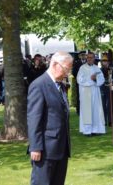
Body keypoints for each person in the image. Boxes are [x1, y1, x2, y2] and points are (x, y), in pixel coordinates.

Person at [27, 51, 72, 185]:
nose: (67, 73)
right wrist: (35, 147)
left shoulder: (61, 86)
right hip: (45, 150)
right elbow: (34, 118)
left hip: (61, 147)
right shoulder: (39, 85)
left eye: (69, 70)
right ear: (54, 64)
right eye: (66, 69)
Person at [77, 52, 106, 136]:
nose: (89, 59)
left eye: (91, 57)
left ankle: (96, 129)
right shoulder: (82, 68)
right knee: (87, 111)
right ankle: (87, 131)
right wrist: (90, 80)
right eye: (88, 57)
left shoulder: (97, 68)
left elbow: (102, 79)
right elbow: (79, 80)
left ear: (94, 58)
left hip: (95, 92)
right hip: (85, 92)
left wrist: (95, 79)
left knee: (96, 110)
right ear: (86, 58)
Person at [72, 51, 87, 116]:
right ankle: (79, 110)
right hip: (79, 82)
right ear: (80, 56)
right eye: (82, 55)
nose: (83, 56)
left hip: (87, 82)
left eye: (84, 55)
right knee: (79, 96)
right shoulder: (77, 63)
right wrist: (79, 77)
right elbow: (73, 72)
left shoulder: (88, 63)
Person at [100, 54, 113, 126]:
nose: (105, 62)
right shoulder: (99, 70)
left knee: (109, 105)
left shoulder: (111, 69)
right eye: (103, 61)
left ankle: (110, 121)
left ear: (108, 62)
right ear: (102, 62)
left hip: (109, 89)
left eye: (106, 61)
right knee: (103, 105)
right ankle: (104, 120)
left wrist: (112, 82)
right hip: (102, 88)